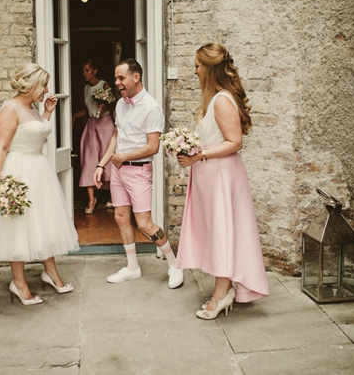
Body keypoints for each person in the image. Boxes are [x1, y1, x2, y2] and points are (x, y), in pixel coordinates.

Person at [0, 63, 79, 305]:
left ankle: (51, 273)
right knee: (17, 227)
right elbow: (1, 148)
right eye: (44, 85)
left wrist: (47, 113)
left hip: (39, 171)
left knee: (45, 222)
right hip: (18, 171)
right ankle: (19, 283)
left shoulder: (33, 107)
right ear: (31, 85)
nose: (46, 89)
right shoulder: (10, 109)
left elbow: (34, 134)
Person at [176, 43, 269, 319]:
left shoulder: (222, 100)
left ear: (209, 68)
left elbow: (235, 142)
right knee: (218, 231)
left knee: (223, 232)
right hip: (210, 177)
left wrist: (198, 154)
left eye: (197, 66)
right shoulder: (214, 99)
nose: (194, 71)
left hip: (222, 178)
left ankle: (222, 293)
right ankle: (225, 287)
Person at [94, 58, 184, 289]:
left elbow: (153, 146)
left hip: (138, 171)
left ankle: (175, 265)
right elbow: (116, 136)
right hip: (117, 170)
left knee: (144, 223)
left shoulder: (151, 107)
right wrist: (101, 165)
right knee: (121, 217)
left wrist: (124, 157)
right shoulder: (121, 103)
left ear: (136, 77)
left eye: (121, 78)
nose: (117, 83)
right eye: (116, 78)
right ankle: (132, 267)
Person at [72, 59, 115, 214]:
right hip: (91, 125)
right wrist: (75, 116)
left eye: (87, 70)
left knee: (108, 159)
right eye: (83, 71)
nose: (84, 73)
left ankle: (113, 196)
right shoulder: (85, 88)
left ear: (95, 71)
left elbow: (113, 105)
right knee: (89, 160)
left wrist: (105, 105)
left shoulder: (104, 85)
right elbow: (86, 109)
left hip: (105, 124)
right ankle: (92, 199)